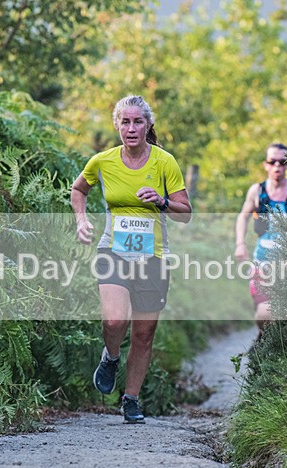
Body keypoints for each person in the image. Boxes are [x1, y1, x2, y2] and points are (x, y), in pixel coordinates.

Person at [71, 95, 192, 424]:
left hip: (152, 255)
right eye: (125, 122)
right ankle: (110, 357)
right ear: (117, 126)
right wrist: (81, 220)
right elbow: (79, 189)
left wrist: (162, 202)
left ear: (148, 125)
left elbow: (186, 213)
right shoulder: (103, 161)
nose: (131, 127)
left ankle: (131, 399)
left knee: (143, 333)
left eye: (138, 121)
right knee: (114, 321)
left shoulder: (164, 162)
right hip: (113, 249)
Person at [234, 143, 287, 337]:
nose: (277, 166)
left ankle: (280, 353)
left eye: (282, 162)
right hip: (263, 263)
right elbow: (243, 216)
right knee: (264, 313)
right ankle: (264, 340)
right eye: (272, 161)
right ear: (265, 165)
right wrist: (240, 244)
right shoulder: (257, 191)